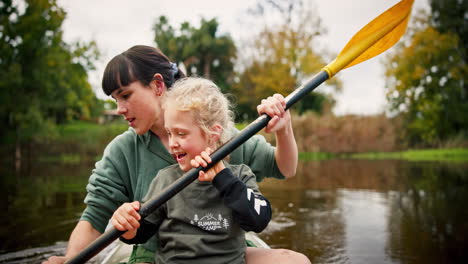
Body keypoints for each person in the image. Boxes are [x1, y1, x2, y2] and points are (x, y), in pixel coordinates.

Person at [43, 45, 309, 264]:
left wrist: (283, 129)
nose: (120, 108)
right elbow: (95, 217)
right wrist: (69, 259)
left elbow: (285, 168)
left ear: (157, 86)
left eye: (125, 95)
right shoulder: (123, 150)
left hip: (223, 249)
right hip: (158, 255)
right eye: (115, 100)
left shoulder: (224, 138)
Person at [112, 77, 272, 264]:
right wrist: (129, 228)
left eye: (181, 134)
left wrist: (223, 179)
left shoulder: (239, 176)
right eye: (169, 133)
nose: (172, 143)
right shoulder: (166, 179)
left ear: (213, 134)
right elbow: (144, 231)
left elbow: (259, 220)